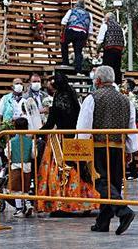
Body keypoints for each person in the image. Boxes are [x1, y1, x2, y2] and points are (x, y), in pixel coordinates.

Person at [77, 66, 137, 235]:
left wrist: (81, 147)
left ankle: (123, 212)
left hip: (99, 147)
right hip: (118, 147)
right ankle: (102, 222)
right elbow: (131, 126)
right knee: (114, 184)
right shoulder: (126, 100)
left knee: (101, 181)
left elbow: (84, 125)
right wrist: (130, 149)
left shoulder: (92, 98)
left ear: (98, 81)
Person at [35, 70, 99, 215]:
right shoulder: (72, 96)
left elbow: (51, 123)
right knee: (80, 168)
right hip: (76, 137)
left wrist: (36, 133)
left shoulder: (57, 99)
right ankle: (85, 202)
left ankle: (63, 204)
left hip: (61, 139)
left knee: (61, 170)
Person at [5, 116, 35, 217]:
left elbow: (8, 154)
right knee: (26, 188)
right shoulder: (31, 141)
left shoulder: (11, 141)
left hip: (15, 166)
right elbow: (34, 155)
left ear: (15, 128)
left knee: (17, 189)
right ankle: (28, 204)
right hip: (27, 166)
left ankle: (19, 209)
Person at [60, 0, 92, 72]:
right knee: (78, 51)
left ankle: (65, 63)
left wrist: (62, 32)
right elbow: (90, 30)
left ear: (76, 5)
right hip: (82, 33)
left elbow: (63, 22)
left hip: (71, 31)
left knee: (64, 43)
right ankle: (78, 69)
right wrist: (86, 39)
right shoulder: (88, 14)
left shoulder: (71, 11)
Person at [96, 13, 126, 83]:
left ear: (107, 19)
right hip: (118, 51)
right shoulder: (120, 27)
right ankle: (117, 86)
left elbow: (100, 40)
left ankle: (106, 85)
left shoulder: (105, 25)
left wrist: (97, 51)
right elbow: (124, 42)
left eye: (104, 18)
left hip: (109, 50)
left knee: (107, 70)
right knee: (116, 70)